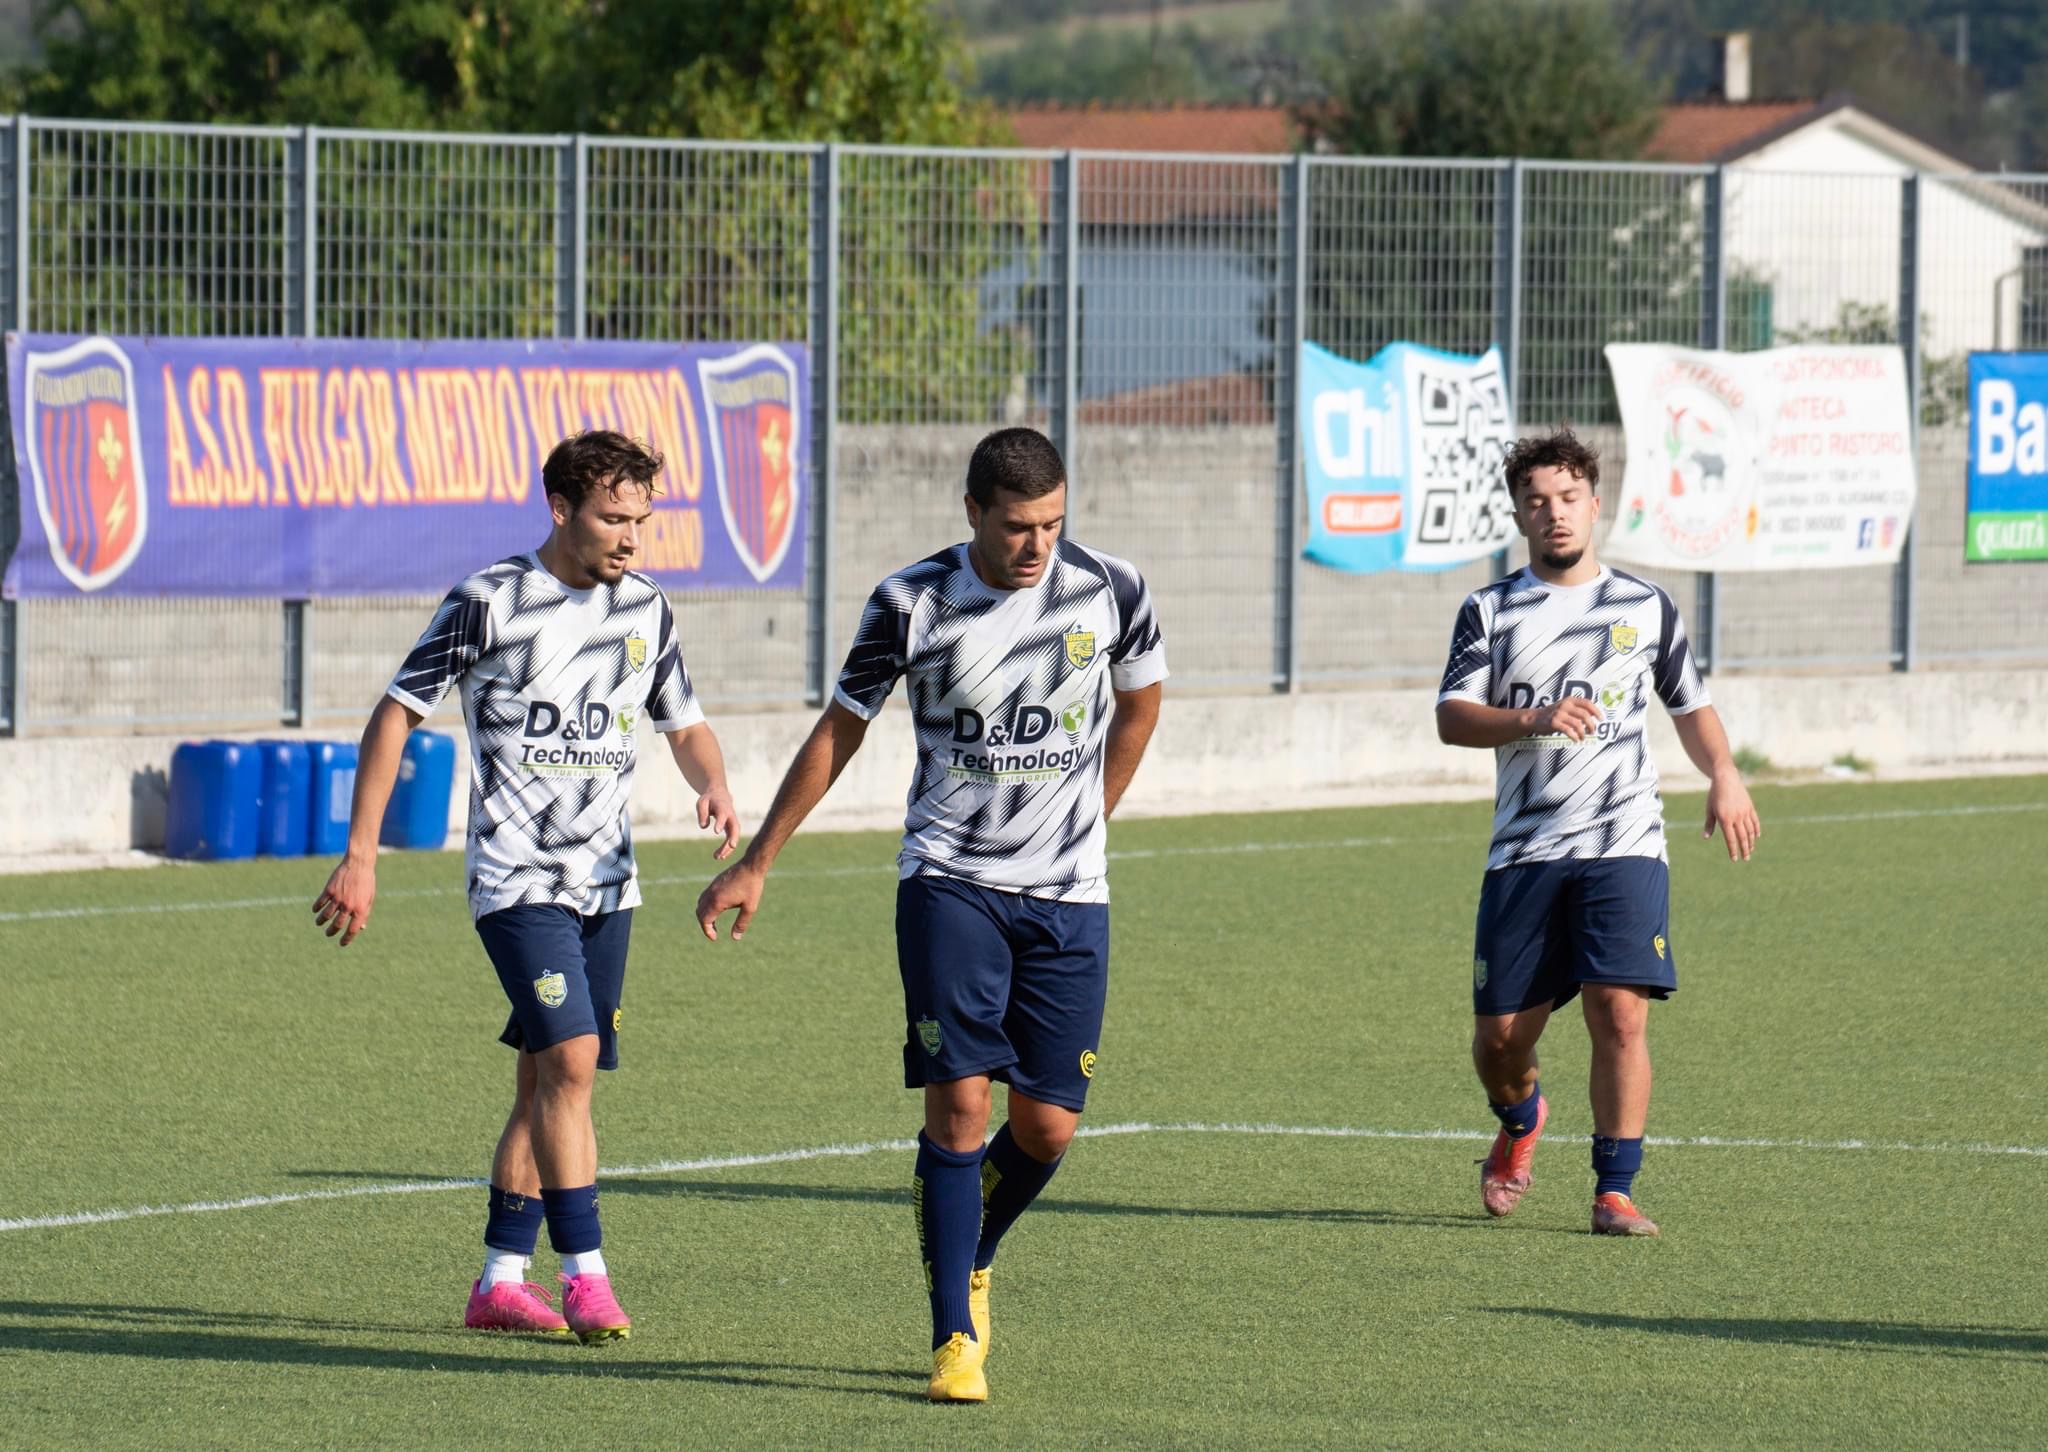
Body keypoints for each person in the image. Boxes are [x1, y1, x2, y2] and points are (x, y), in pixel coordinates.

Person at [693, 426, 1165, 1402]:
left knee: (1047, 1129)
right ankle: (953, 1331)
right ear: (971, 513)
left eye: (1051, 524)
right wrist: (759, 858)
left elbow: (1141, 702)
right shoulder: (910, 603)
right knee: (960, 1105)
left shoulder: (1111, 589)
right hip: (949, 884)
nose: (1035, 546)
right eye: (1015, 527)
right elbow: (840, 732)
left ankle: (970, 1245)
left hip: (1072, 897)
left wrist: (1094, 815)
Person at [312, 430, 740, 1339]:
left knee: (543, 1080)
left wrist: (712, 780)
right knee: (573, 1062)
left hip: (609, 885)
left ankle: (500, 1282)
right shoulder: (492, 603)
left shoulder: (647, 610)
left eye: (643, 519)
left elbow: (685, 723)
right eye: (613, 518)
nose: (631, 537)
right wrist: (362, 853)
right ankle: (586, 1276)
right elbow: (395, 715)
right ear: (561, 510)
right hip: (515, 878)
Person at [1435, 429, 1760, 1237]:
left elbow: (1689, 703)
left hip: (1624, 843)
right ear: (1517, 514)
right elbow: (1451, 717)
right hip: (1525, 853)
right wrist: (1533, 717)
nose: (1555, 514)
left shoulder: (1645, 605)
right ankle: (1520, 1122)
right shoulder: (1490, 608)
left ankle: (1614, 1189)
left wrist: (1723, 772)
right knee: (1500, 1044)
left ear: (1595, 503)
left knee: (1620, 1012)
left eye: (1569, 498)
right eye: (1538, 502)